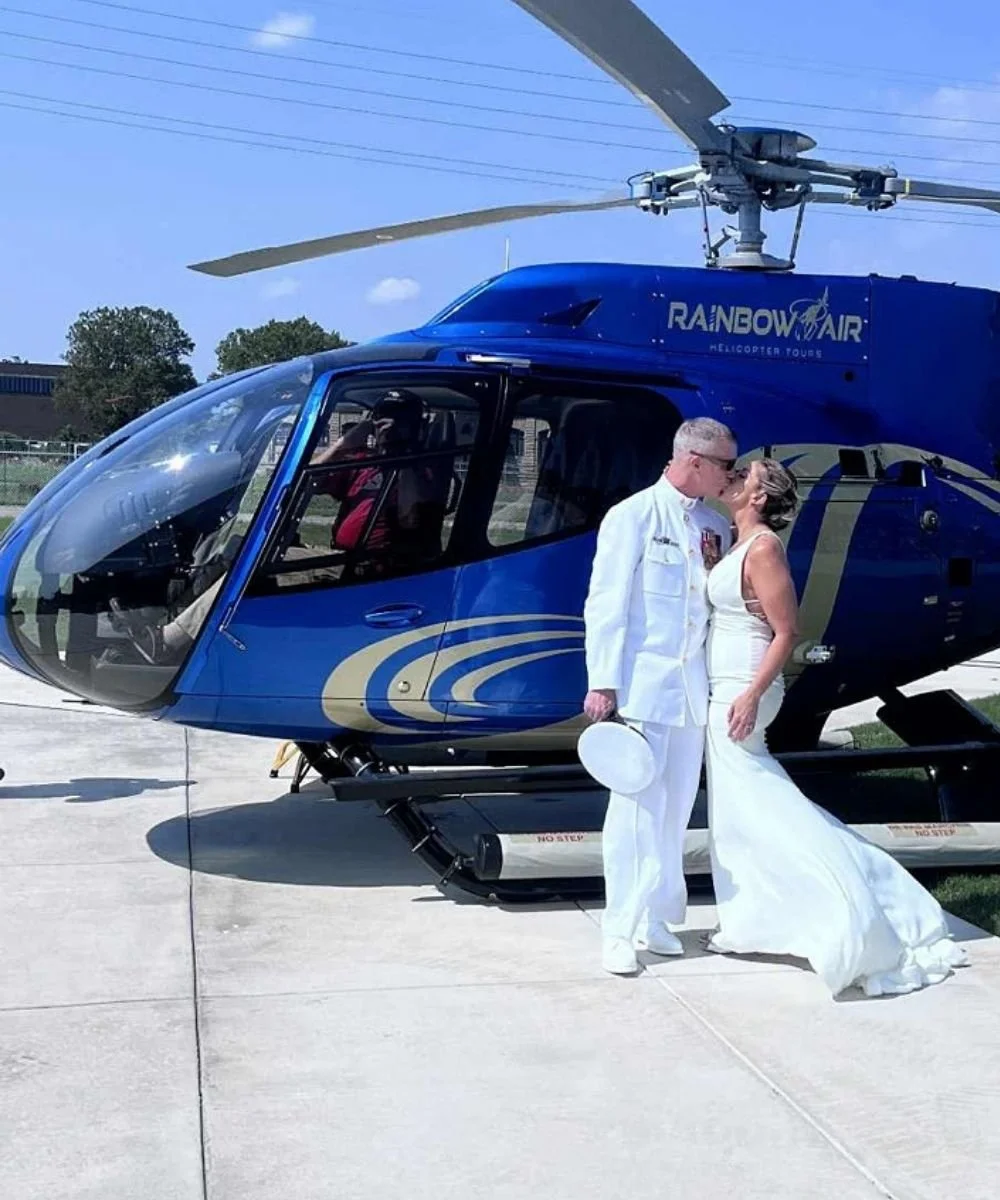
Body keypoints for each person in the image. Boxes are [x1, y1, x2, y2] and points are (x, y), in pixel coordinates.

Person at [703, 458, 967, 997]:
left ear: (758, 496)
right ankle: (758, 912)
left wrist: (752, 694)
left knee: (763, 797)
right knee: (740, 803)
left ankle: (845, 906)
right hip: (726, 684)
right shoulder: (738, 544)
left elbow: (786, 631)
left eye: (743, 475)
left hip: (743, 688)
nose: (732, 478)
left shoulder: (764, 549)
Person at [109, 389, 437, 665]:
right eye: (382, 419)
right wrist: (346, 443)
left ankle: (167, 644)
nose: (388, 428)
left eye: (399, 421)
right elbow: (305, 481)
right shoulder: (365, 462)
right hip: (343, 559)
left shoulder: (424, 469)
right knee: (239, 546)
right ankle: (171, 623)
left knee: (255, 564)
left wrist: (406, 453)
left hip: (376, 572)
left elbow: (413, 516)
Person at [582, 416, 737, 976]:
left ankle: (654, 916)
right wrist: (603, 682)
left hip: (691, 692)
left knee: (673, 812)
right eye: (724, 464)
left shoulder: (711, 524)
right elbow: (607, 603)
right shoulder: (634, 516)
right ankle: (618, 928)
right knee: (633, 814)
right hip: (644, 690)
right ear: (694, 459)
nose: (730, 474)